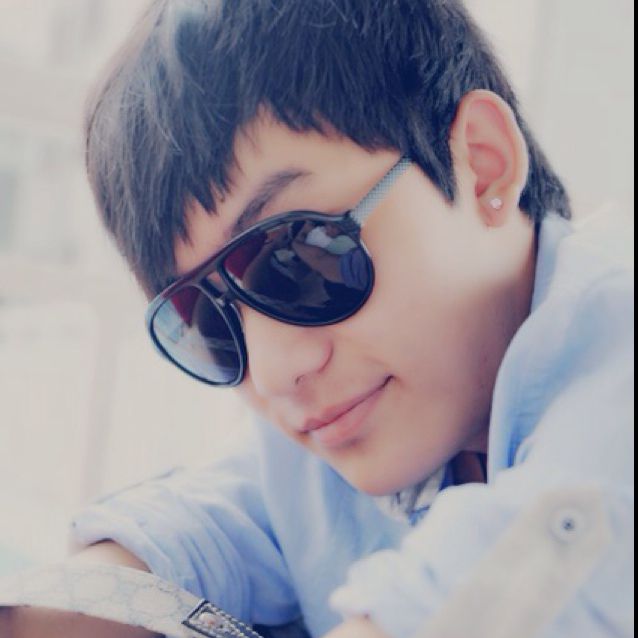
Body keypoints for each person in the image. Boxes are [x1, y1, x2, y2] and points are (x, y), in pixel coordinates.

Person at [0, 0, 633, 636]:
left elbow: (556, 549)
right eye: (208, 323)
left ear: (482, 164)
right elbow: (205, 524)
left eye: (298, 260)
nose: (275, 371)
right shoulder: (343, 438)